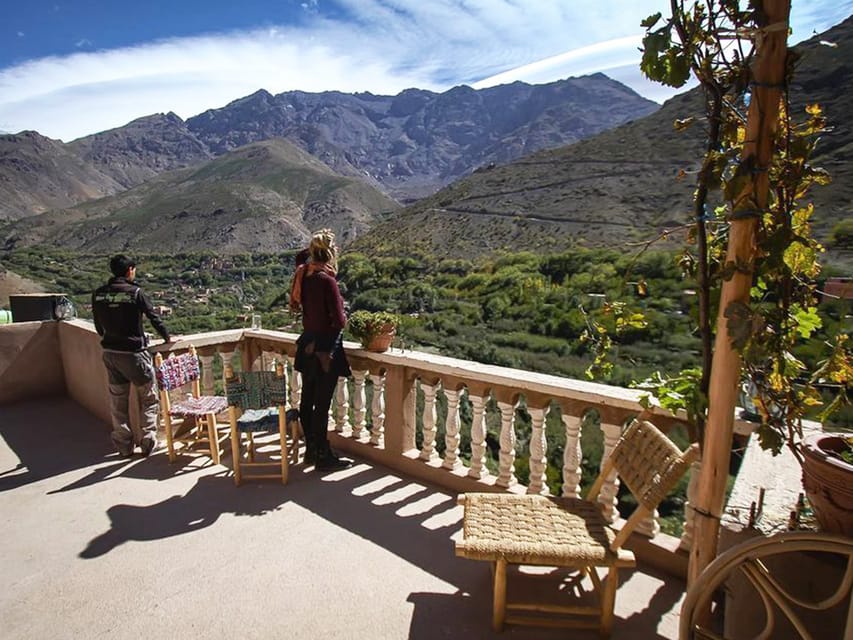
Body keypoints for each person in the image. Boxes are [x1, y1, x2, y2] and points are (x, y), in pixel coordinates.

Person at [92, 254, 172, 458]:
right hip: (133, 355)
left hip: (110, 354)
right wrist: (167, 338)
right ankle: (148, 440)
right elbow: (154, 318)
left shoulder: (99, 294)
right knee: (149, 397)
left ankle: (123, 445)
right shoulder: (135, 293)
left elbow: (98, 327)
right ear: (129, 270)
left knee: (118, 402)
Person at [293, 230, 352, 472]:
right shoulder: (327, 280)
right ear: (331, 253)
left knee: (307, 400)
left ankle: (311, 449)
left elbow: (299, 257)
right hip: (325, 349)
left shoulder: (303, 274)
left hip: (306, 345)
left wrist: (315, 248)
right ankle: (322, 455)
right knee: (322, 404)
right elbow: (339, 321)